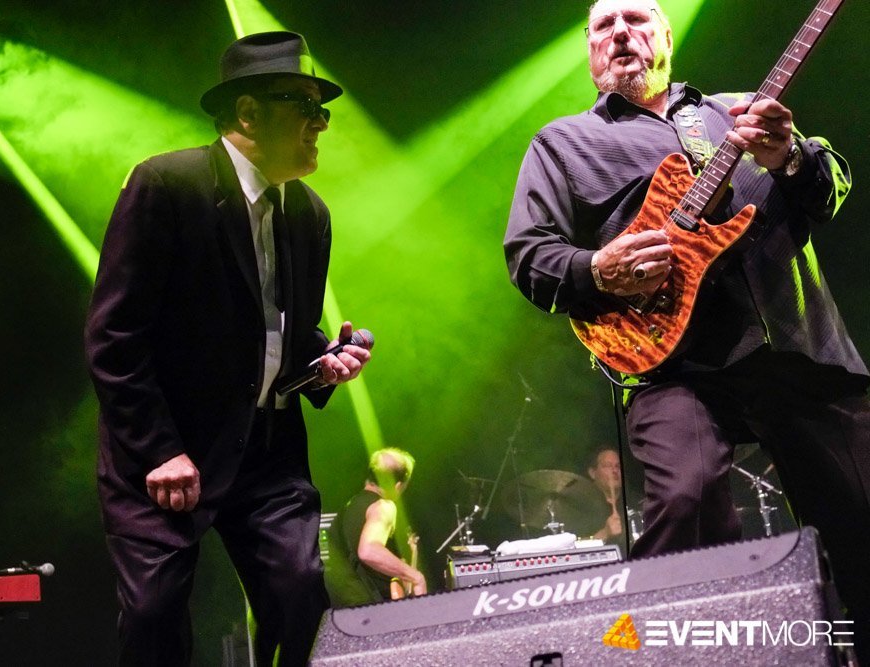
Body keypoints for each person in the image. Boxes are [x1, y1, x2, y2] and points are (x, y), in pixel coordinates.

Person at [504, 0, 870, 658]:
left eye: (637, 19)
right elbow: (529, 255)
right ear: (588, 49)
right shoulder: (563, 143)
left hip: (795, 344)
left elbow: (830, 190)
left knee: (862, 517)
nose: (621, 32)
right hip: (671, 364)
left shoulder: (740, 112)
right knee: (683, 503)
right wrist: (598, 267)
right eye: (604, 25)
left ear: (666, 37)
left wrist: (790, 156)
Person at [85, 31, 371, 667]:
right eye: (305, 106)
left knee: (301, 598)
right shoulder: (168, 183)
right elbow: (114, 335)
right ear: (248, 113)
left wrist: (322, 363)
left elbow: (282, 332)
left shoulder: (310, 213)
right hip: (168, 448)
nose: (321, 124)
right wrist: (159, 450)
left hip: (266, 451)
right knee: (154, 616)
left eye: (324, 111)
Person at [325, 448, 426, 607]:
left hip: (341, 609)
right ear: (398, 486)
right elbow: (368, 550)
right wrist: (415, 577)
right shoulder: (383, 506)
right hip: (372, 611)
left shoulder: (347, 508)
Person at [586, 447, 625, 545]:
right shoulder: (582, 506)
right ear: (592, 473)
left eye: (618, 466)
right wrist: (605, 533)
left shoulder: (635, 502)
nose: (614, 470)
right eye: (608, 466)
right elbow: (573, 547)